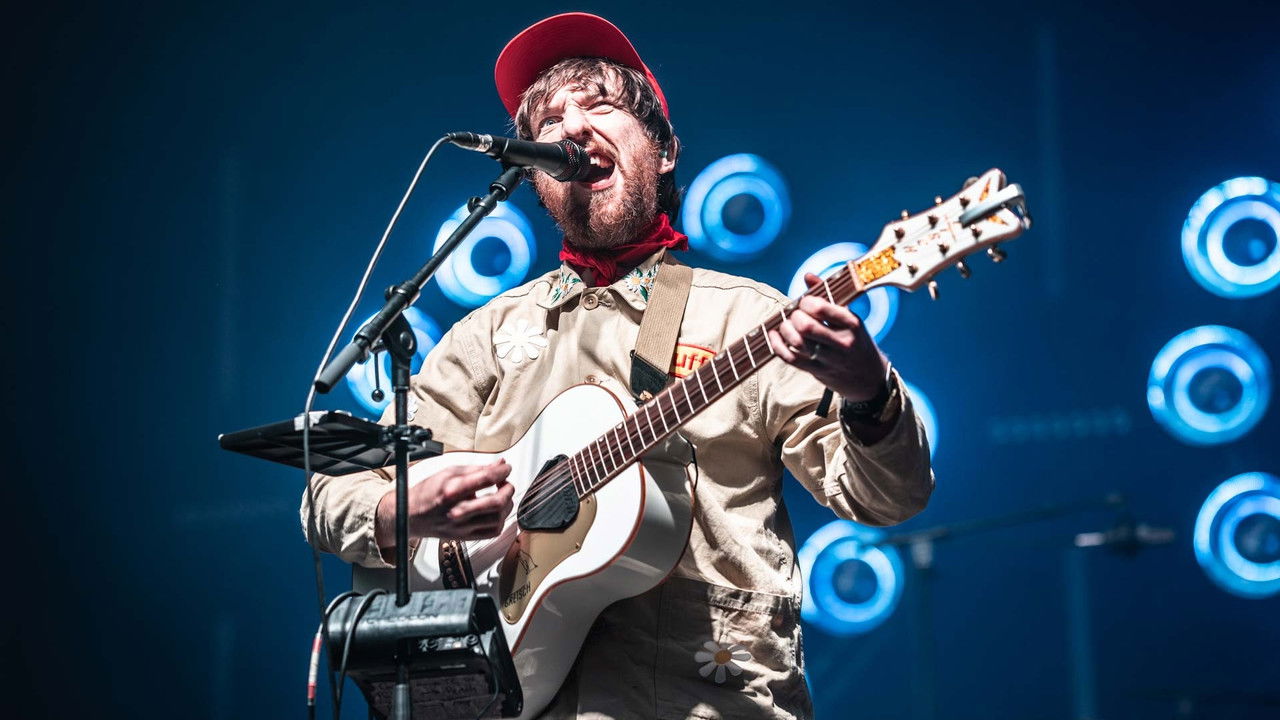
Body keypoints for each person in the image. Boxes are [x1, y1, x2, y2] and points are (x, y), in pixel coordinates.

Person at [303, 12, 934, 719]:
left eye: (599, 105)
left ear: (662, 150)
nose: (570, 128)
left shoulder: (750, 318)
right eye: (547, 120)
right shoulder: (486, 337)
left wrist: (870, 394)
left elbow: (887, 499)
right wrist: (396, 510)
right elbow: (328, 496)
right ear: (535, 177)